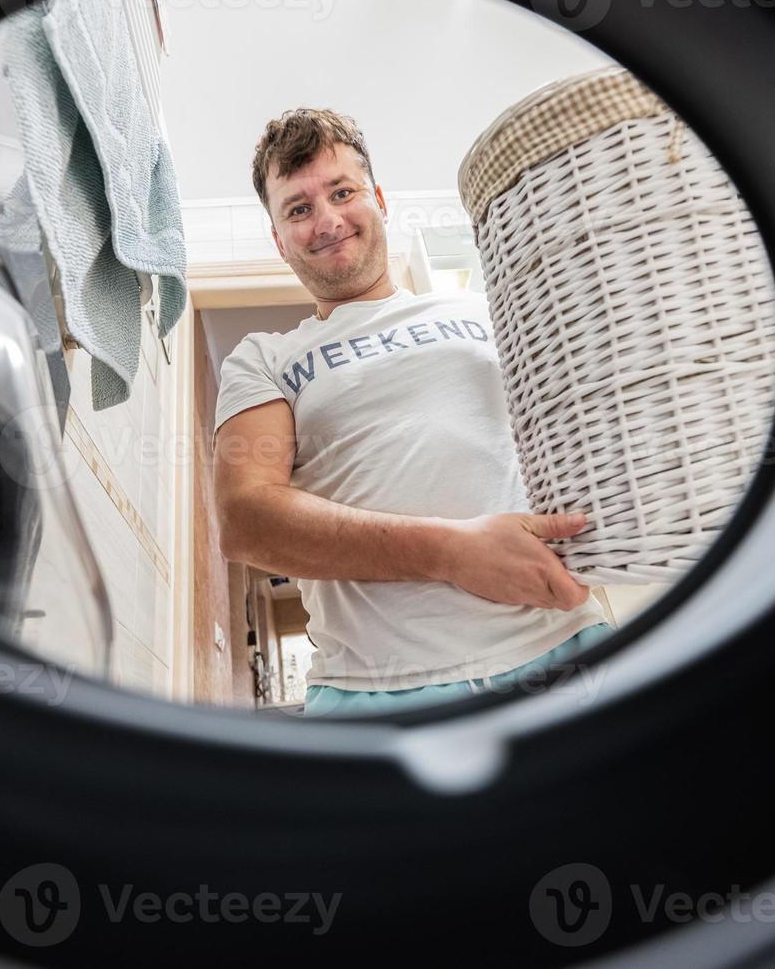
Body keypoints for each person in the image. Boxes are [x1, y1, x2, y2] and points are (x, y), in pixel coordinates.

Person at [212, 108, 611, 718]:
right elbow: (248, 521)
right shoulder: (264, 358)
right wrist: (452, 551)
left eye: (342, 193)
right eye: (298, 208)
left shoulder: (482, 311)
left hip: (564, 651)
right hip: (375, 697)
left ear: (379, 198)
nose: (327, 221)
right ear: (277, 238)